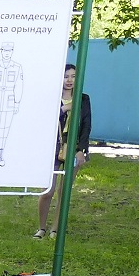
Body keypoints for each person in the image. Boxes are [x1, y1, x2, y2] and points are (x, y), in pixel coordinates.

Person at [37, 61, 94, 238]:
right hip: (53, 148)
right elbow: (44, 121)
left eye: (73, 76)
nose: (69, 80)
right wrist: (63, 109)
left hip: (73, 147)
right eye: (66, 76)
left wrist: (81, 150)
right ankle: (41, 228)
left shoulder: (83, 99)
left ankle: (55, 229)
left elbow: (86, 126)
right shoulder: (52, 97)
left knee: (64, 191)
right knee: (49, 190)